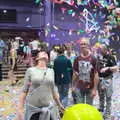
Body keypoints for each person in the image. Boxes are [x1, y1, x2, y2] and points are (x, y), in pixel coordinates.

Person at [16, 50, 64, 120]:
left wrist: (59, 105)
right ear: (37, 58)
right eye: (42, 52)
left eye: (46, 53)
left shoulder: (51, 71)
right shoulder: (30, 70)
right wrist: (20, 109)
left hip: (48, 109)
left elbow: (53, 90)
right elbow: (24, 91)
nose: (45, 53)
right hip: (34, 110)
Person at [72, 37, 99, 105]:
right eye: (81, 44)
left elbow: (96, 75)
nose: (83, 46)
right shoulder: (77, 59)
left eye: (84, 44)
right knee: (79, 107)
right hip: (79, 87)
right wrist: (73, 86)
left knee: (88, 108)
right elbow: (75, 73)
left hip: (90, 88)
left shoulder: (93, 58)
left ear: (88, 45)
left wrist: (95, 89)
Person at [97, 44, 118, 120]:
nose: (100, 51)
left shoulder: (111, 57)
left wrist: (108, 68)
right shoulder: (99, 56)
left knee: (108, 97)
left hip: (107, 79)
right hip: (100, 79)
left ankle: (107, 114)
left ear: (105, 50)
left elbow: (116, 68)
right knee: (101, 96)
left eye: (101, 50)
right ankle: (101, 110)